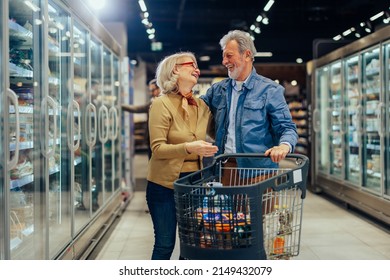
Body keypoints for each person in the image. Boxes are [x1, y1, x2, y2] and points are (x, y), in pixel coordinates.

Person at [200, 30, 298, 185]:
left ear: (246, 55)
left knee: (261, 210)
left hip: (260, 172)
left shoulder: (270, 90)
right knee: (229, 210)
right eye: (223, 56)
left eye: (229, 55)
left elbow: (287, 127)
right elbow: (196, 108)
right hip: (226, 169)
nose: (224, 61)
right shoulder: (218, 91)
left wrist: (284, 146)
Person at [146, 52, 218, 260]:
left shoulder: (201, 106)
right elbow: (158, 148)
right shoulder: (161, 104)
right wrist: (189, 147)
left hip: (193, 185)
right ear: (175, 69)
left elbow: (218, 133)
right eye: (191, 65)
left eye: (197, 65)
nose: (197, 69)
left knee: (192, 245)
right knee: (164, 243)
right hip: (163, 186)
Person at [121, 79, 161, 159]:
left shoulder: (157, 102)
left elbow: (137, 109)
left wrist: (120, 105)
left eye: (153, 90)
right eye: (150, 90)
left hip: (158, 139)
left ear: (159, 89)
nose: (151, 93)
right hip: (152, 138)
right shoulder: (153, 101)